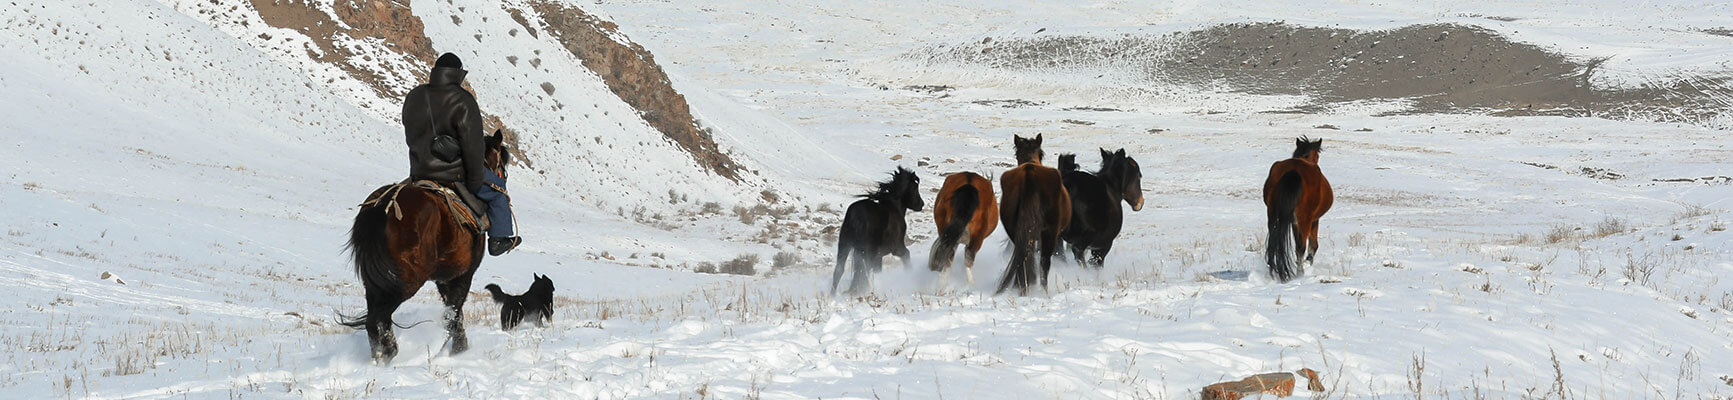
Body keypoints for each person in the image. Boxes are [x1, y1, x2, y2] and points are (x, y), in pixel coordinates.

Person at [402, 53, 521, 255]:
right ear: (458, 74)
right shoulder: (463, 100)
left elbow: (410, 132)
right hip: (453, 174)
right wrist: (475, 182)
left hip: (419, 171)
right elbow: (473, 148)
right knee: (498, 191)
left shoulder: (414, 96)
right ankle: (499, 240)